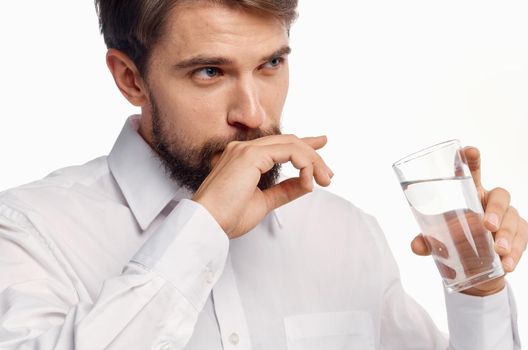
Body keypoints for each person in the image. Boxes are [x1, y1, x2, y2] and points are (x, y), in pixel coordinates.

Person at [0, 0, 525, 349]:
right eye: (210, 72)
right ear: (130, 79)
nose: (253, 113)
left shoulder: (343, 233)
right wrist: (199, 229)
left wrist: (478, 289)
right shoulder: (28, 231)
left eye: (271, 64)